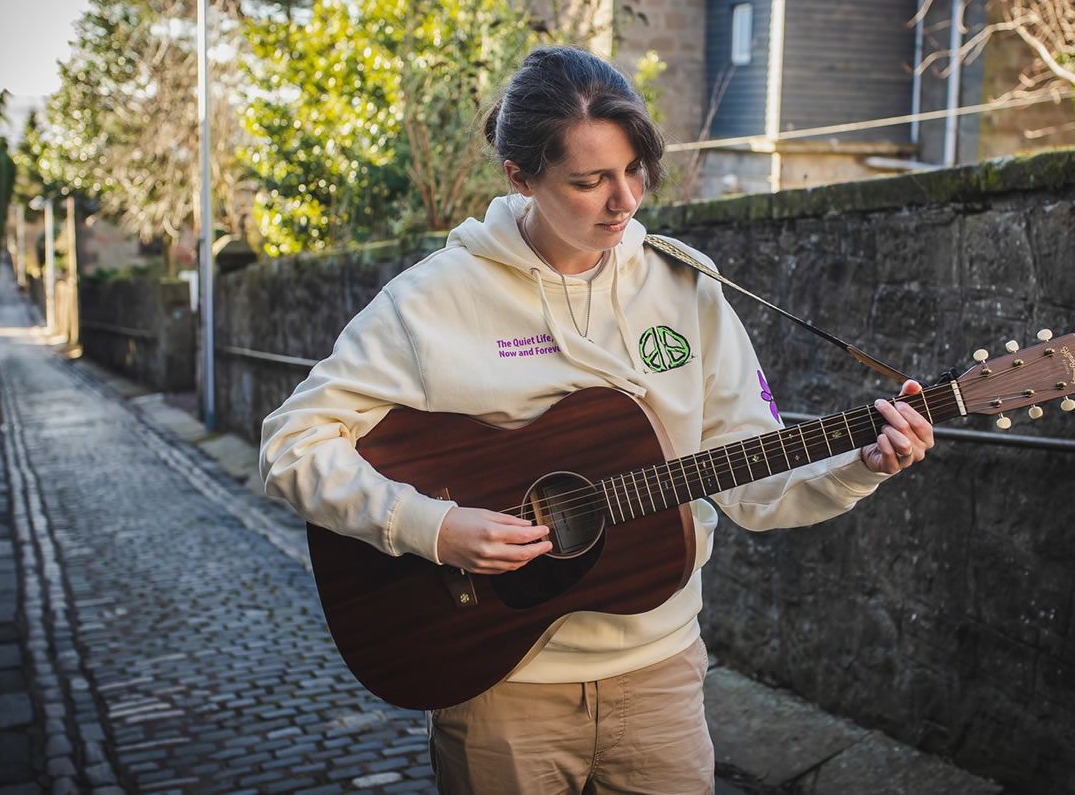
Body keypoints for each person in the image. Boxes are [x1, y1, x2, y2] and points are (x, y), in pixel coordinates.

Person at [259, 45, 934, 794]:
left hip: (661, 675)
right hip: (496, 684)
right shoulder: (433, 300)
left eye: (634, 170)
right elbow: (291, 443)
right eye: (589, 181)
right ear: (520, 177)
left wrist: (858, 466)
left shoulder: (686, 286)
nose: (625, 201)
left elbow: (750, 473)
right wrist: (432, 528)